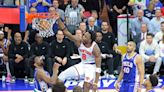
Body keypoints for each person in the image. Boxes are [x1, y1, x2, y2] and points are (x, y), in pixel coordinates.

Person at [56, 14, 102, 92]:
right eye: (84, 35)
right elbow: (66, 32)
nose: (83, 37)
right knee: (61, 76)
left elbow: (98, 68)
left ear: (90, 40)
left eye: (86, 37)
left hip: (91, 67)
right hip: (82, 64)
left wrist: (96, 82)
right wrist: (58, 19)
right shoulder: (79, 41)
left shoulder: (95, 48)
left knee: (86, 86)